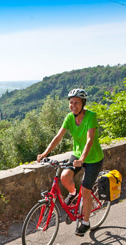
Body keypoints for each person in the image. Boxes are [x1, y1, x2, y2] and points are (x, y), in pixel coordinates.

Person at [37, 88, 104, 237]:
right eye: (71, 102)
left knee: (86, 191)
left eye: (77, 103)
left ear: (83, 104)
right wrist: (45, 153)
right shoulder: (69, 118)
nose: (73, 105)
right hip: (77, 154)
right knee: (64, 177)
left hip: (93, 158)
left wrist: (82, 160)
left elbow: (90, 140)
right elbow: (58, 137)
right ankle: (73, 193)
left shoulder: (91, 116)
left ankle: (85, 223)